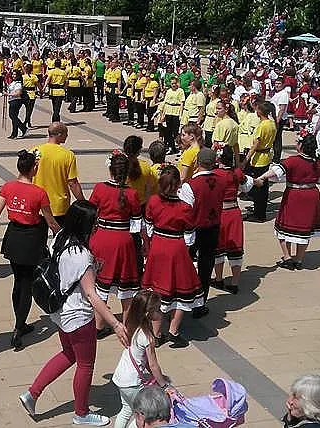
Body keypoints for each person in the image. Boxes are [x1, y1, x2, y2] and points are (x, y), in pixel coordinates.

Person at [19, 201, 129, 427]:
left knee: (68, 354)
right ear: (85, 224)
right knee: (86, 364)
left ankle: (33, 393)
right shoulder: (82, 255)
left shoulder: (59, 238)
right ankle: (81, 413)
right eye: (94, 221)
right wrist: (115, 324)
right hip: (79, 317)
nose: (97, 225)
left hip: (60, 312)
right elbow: (91, 294)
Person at [0, 149, 60, 349]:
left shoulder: (8, 187)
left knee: (18, 280)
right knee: (27, 283)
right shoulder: (39, 192)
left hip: (14, 237)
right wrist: (65, 235)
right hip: (31, 239)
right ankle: (19, 326)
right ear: (33, 169)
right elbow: (50, 222)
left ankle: (20, 321)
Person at [142, 166, 201, 348]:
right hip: (176, 248)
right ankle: (173, 332)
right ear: (178, 185)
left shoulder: (153, 201)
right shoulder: (185, 208)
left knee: (158, 291)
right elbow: (190, 236)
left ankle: (156, 333)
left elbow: (148, 226)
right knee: (181, 290)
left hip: (158, 246)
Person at [89, 152, 142, 336]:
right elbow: (136, 224)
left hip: (101, 238)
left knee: (99, 285)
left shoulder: (99, 189)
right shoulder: (132, 193)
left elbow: (91, 214)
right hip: (123, 240)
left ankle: (99, 325)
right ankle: (126, 326)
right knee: (125, 287)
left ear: (110, 170)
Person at [254, 133, 320, 270]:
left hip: (295, 195)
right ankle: (298, 259)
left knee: (283, 226)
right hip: (311, 195)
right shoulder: (317, 162)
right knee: (305, 229)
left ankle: (287, 257)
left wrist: (262, 177)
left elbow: (276, 171)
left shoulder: (293, 160)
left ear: (301, 146)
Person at [178, 148, 226, 319]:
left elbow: (185, 211)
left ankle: (183, 300)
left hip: (193, 231)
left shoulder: (190, 185)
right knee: (206, 268)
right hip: (212, 228)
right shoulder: (221, 181)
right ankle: (200, 303)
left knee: (186, 265)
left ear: (198, 163)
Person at [111, 291, 171, 428]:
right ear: (147, 313)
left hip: (121, 377)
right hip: (133, 383)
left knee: (126, 410)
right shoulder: (147, 337)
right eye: (157, 309)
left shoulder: (131, 325)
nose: (160, 312)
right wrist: (164, 385)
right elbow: (153, 365)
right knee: (141, 414)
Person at [212, 146, 252, 294]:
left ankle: (219, 278)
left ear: (219, 158)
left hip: (220, 213)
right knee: (235, 247)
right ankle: (234, 282)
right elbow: (246, 186)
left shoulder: (215, 174)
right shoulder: (237, 172)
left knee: (219, 247)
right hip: (234, 212)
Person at [33, 122, 84, 223]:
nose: (67, 136)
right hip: (59, 206)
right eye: (66, 133)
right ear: (59, 134)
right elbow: (72, 183)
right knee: (59, 236)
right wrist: (82, 202)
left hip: (38, 204)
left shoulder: (35, 151)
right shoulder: (68, 155)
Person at [243, 102, 276, 223]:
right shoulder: (272, 123)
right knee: (264, 186)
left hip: (259, 158)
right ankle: (259, 210)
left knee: (258, 186)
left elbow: (255, 145)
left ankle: (259, 214)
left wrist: (246, 159)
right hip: (267, 156)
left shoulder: (262, 126)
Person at [7, 70, 27, 139]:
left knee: (12, 116)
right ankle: (14, 133)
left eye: (15, 74)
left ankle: (23, 128)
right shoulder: (13, 82)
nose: (13, 76)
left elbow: (18, 93)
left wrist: (8, 94)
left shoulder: (18, 84)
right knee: (14, 117)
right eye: (13, 74)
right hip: (12, 100)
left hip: (16, 101)